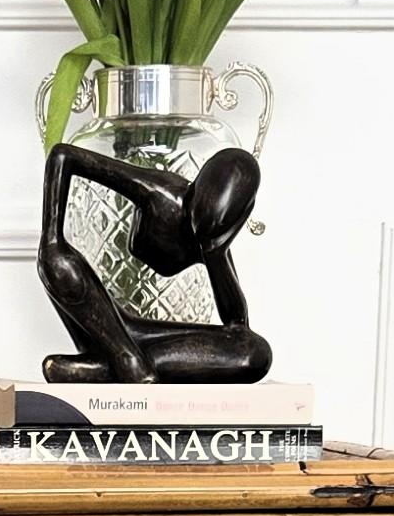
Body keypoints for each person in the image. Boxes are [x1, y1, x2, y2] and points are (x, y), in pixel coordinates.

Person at [37, 142, 272, 383]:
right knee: (60, 264)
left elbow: (237, 326)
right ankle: (125, 358)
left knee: (255, 353)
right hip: (107, 322)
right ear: (194, 191)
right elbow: (64, 155)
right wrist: (51, 236)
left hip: (136, 334)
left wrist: (216, 253)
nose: (199, 237)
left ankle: (107, 367)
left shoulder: (213, 240)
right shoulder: (161, 193)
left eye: (210, 234)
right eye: (194, 222)